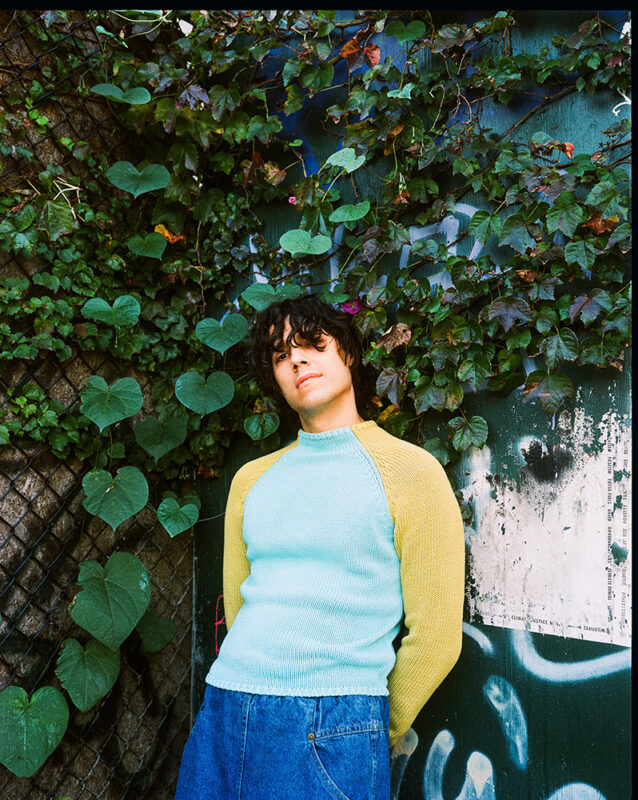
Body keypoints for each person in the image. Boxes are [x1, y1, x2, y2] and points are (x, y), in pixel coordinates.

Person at [175, 293, 465, 800]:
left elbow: (438, 635)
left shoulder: (410, 471)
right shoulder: (250, 480)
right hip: (224, 709)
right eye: (281, 355)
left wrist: (374, 726)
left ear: (348, 354)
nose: (297, 360)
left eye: (312, 344)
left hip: (336, 721)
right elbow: (238, 607)